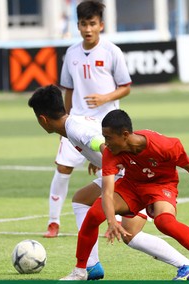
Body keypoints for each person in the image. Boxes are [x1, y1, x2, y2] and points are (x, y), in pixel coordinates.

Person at [29, 85, 189, 280]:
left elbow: (101, 143)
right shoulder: (75, 122)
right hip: (125, 172)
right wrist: (96, 161)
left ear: (42, 119)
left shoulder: (74, 128)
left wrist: (106, 160)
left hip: (130, 177)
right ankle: (91, 265)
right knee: (81, 200)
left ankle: (186, 265)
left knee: (130, 234)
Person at [61, 109, 189, 281]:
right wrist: (111, 220)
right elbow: (107, 190)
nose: (106, 143)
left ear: (125, 135)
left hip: (161, 185)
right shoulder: (111, 152)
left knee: (165, 222)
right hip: (131, 185)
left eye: (109, 137)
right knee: (94, 213)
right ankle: (80, 271)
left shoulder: (165, 145)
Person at [44, 1, 131, 239]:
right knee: (63, 167)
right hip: (78, 121)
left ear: (101, 25)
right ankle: (53, 222)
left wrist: (105, 97)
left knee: (115, 169)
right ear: (78, 25)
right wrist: (65, 123)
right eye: (83, 24)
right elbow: (69, 91)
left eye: (92, 23)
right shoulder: (71, 53)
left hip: (107, 124)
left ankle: (119, 218)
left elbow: (125, 87)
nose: (88, 29)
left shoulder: (112, 51)